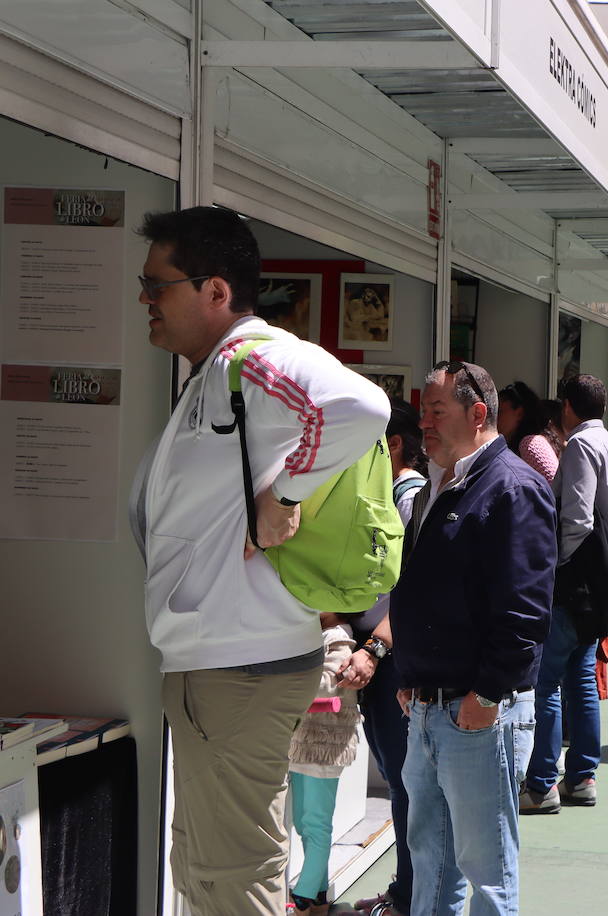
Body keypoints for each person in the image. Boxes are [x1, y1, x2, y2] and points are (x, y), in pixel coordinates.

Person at [130, 207, 390, 914]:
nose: (145, 299)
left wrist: (287, 493)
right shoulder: (216, 372)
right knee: (208, 866)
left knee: (233, 872)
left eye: (158, 285)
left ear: (214, 291)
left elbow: (361, 405)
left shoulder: (253, 359)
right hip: (222, 664)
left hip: (239, 667)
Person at [390, 360, 557, 915]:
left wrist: (485, 696)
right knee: (432, 863)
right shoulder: (439, 484)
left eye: (437, 410)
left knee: (487, 874)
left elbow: (526, 612)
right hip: (430, 708)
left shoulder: (513, 488)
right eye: (423, 410)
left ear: (478, 413)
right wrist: (412, 676)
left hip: (479, 714)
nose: (424, 423)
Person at [522, 375, 608, 814]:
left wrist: (555, 564)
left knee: (548, 681)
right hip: (601, 578)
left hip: (575, 580)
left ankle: (542, 783)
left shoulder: (584, 447)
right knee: (582, 677)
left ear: (568, 406)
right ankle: (582, 776)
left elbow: (578, 517)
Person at [348, 400, 429, 916]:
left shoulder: (410, 500)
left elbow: (412, 594)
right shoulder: (391, 496)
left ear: (392, 445)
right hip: (379, 660)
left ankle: (410, 897)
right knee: (400, 783)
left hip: (391, 660)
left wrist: (375, 649)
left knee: (407, 786)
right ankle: (407, 892)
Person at [288, 616, 361, 916]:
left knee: (317, 824)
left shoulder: (339, 640)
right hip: (303, 742)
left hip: (326, 745)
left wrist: (284, 683)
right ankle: (318, 898)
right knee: (303, 823)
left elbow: (329, 685)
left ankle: (302, 896)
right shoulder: (308, 633)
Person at [498, 380, 561, 483]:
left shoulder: (530, 445)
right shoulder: (514, 446)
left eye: (499, 412)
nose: (494, 417)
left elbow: (553, 486)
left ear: (519, 413)